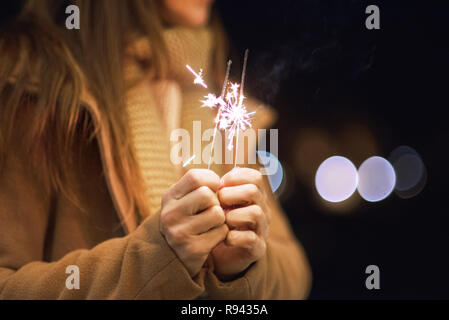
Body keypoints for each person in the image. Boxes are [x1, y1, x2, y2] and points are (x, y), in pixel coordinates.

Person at [0, 0, 311, 299]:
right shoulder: (31, 86)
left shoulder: (214, 89)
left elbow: (295, 275)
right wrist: (156, 260)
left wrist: (242, 268)